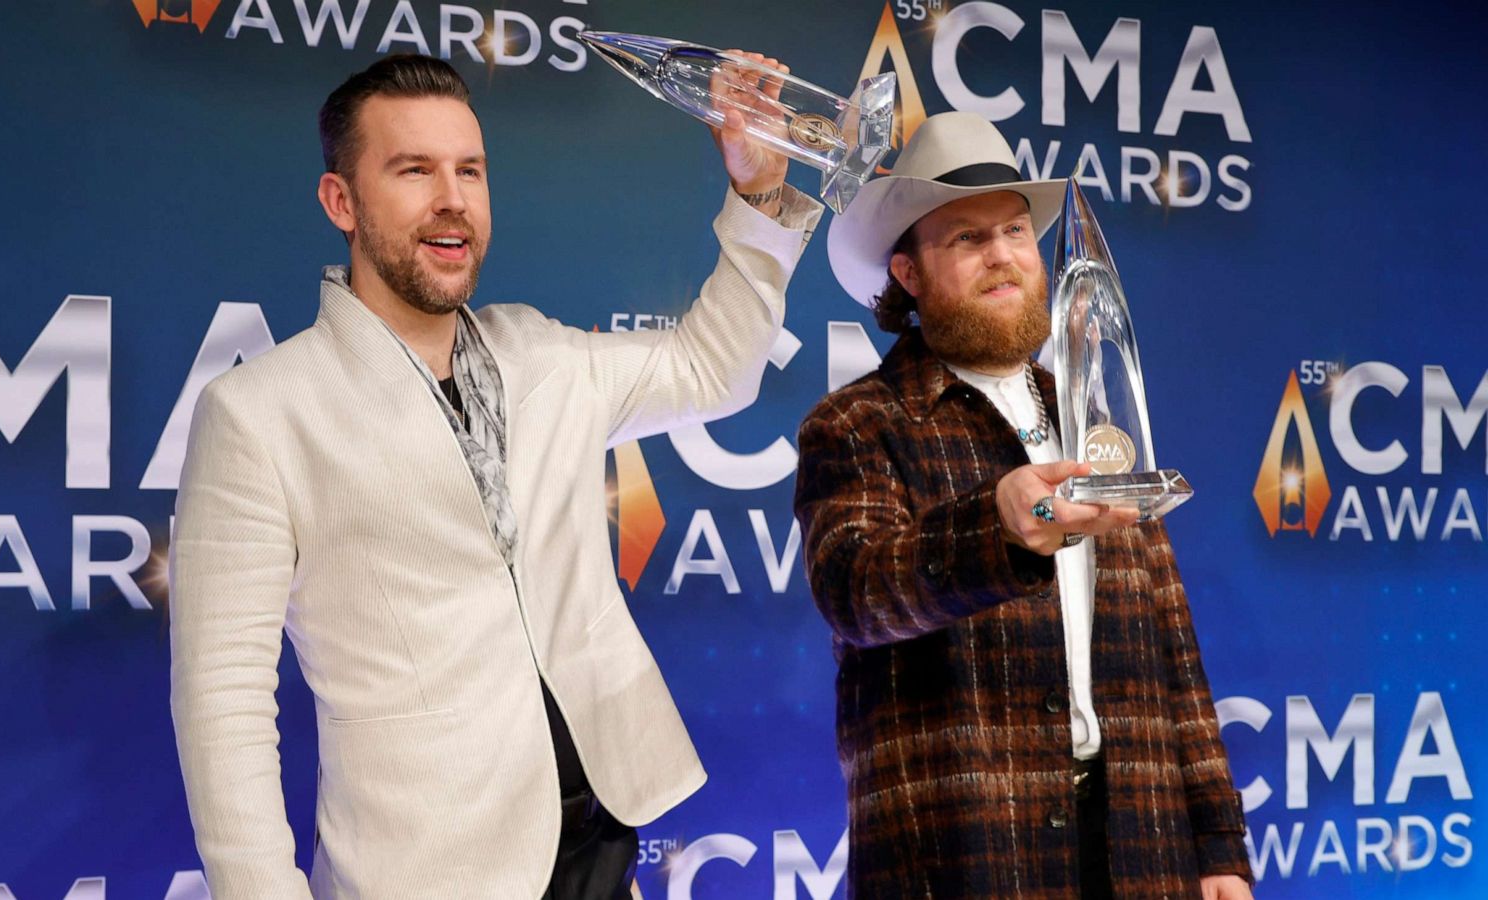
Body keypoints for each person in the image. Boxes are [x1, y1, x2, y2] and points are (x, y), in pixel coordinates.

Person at [170, 53, 821, 899]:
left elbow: (714, 367)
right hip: (425, 871)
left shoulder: (538, 351)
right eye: (414, 171)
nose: (452, 199)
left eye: (470, 171)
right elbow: (222, 707)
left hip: (602, 839)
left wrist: (760, 195)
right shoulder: (259, 412)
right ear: (342, 202)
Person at [794, 111, 1253, 900]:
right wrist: (995, 527)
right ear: (908, 274)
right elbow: (856, 595)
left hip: (1139, 844)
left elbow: (1174, 648)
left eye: (1013, 230)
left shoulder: (1093, 422)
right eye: (967, 240)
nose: (1003, 256)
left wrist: (1217, 844)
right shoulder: (856, 423)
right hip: (963, 851)